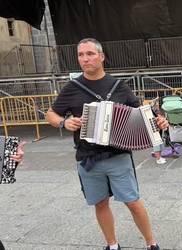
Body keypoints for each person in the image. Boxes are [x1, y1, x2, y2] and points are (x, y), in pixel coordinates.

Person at [45, 38, 168, 250]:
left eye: (90, 54)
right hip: (87, 157)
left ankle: (152, 244)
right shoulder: (72, 88)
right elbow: (51, 114)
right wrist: (64, 122)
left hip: (118, 156)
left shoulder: (118, 86)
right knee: (100, 203)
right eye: (81, 55)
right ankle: (112, 245)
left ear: (101, 56)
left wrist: (158, 120)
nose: (85, 59)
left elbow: (141, 113)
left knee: (133, 202)